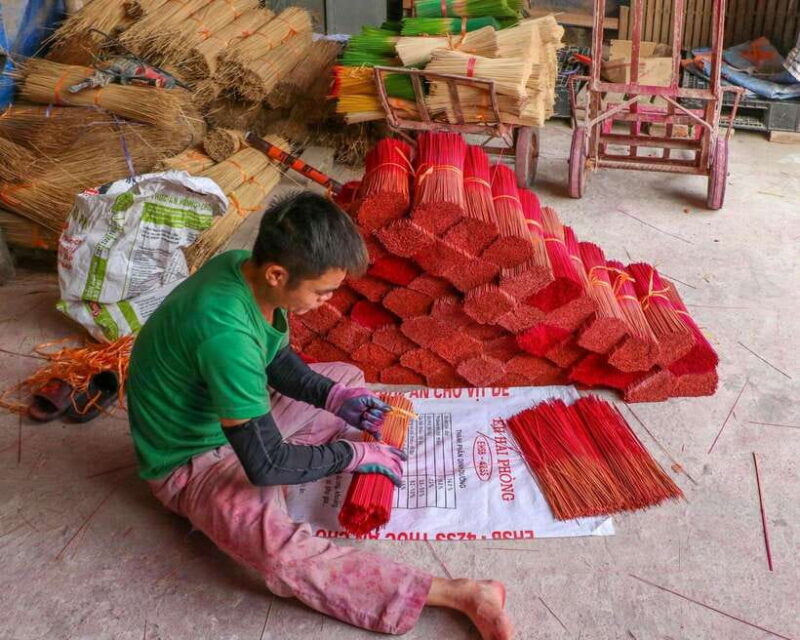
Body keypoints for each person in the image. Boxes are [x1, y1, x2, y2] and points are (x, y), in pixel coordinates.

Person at [127, 191, 514, 639]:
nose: (326, 302)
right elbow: (265, 465)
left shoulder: (242, 266)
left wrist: (334, 399)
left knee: (345, 376)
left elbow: (275, 357)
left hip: (223, 415)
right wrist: (350, 456)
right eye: (321, 291)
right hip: (192, 461)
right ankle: (462, 593)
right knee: (279, 553)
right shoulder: (225, 337)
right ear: (277, 273)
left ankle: (304, 455)